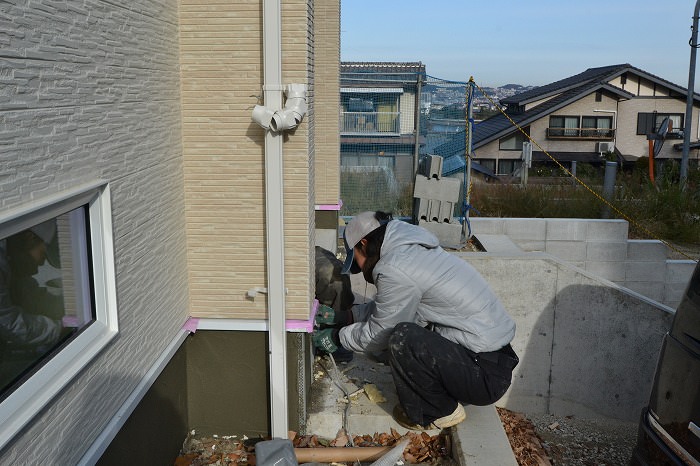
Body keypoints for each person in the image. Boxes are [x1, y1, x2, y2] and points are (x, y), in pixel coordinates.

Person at [313, 211, 518, 431]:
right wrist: (347, 317)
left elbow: (381, 332)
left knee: (403, 338)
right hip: (488, 363)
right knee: (404, 332)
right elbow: (393, 308)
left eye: (358, 262)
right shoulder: (410, 253)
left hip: (482, 375)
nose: (361, 270)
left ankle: (438, 411)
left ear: (364, 243)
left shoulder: (395, 267)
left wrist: (337, 337)